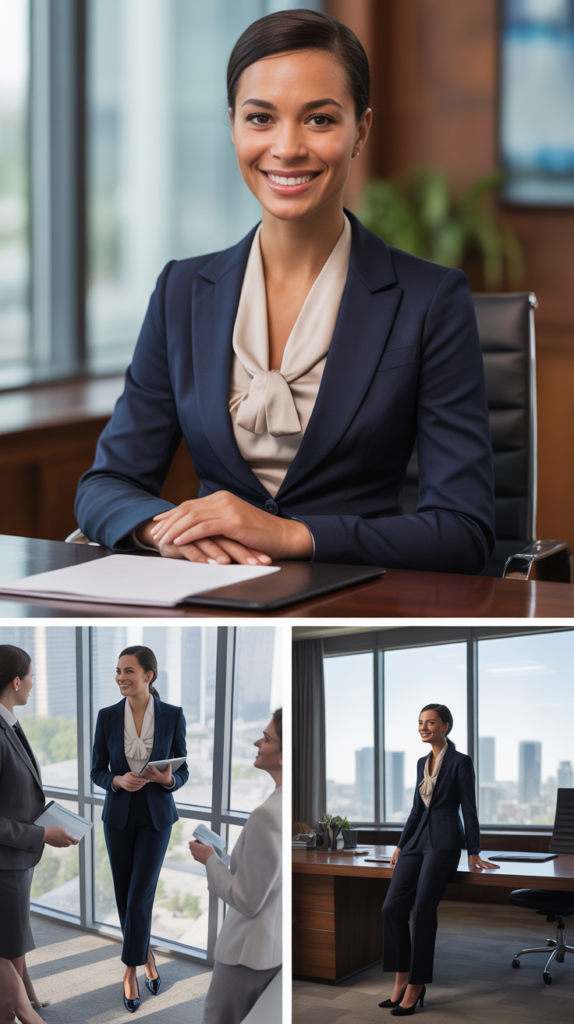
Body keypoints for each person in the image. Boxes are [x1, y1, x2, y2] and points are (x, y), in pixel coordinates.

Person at [75, 9, 494, 576]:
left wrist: (291, 535)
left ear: (361, 130)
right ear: (232, 127)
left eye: (319, 120)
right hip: (210, 593)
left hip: (356, 593)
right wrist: (164, 532)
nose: (287, 147)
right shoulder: (181, 291)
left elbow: (463, 532)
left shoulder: (430, 299)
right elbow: (107, 484)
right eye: (261, 118)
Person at [380, 703, 499, 1015]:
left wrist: (473, 850)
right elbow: (417, 809)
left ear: (446, 726)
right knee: (391, 907)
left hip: (445, 842)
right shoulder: (422, 761)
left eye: (430, 722)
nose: (423, 727)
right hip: (416, 841)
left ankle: (417, 985)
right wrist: (400, 845)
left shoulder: (460, 761)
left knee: (422, 909)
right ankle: (401, 977)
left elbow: (469, 808)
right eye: (420, 722)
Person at [91, 645, 189, 1013]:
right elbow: (97, 770)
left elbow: (183, 771)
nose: (120, 677)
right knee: (124, 895)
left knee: (139, 896)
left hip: (156, 818)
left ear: (149, 675)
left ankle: (129, 970)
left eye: (128, 671)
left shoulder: (172, 715)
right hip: (118, 816)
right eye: (118, 671)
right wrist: (116, 781)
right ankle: (147, 958)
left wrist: (168, 780)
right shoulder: (106, 717)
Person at [189, 709, 282, 1024]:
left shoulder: (267, 815)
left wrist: (210, 860)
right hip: (271, 948)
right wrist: (224, 861)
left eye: (267, 738)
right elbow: (268, 880)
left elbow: (246, 899)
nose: (258, 742)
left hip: (247, 952)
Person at [0, 645, 78, 1017]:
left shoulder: (9, 721)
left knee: (13, 937)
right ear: (16, 681)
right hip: (5, 860)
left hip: (17, 856)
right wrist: (42, 834)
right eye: (31, 676)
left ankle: (25, 997)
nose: (33, 684)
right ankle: (21, 1009)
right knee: (8, 940)